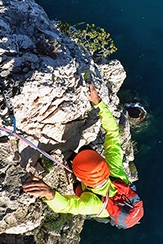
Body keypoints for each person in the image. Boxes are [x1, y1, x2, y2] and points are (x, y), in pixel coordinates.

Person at [22, 81, 131, 220]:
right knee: (84, 150)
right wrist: (98, 102)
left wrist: (49, 194)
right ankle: (73, 159)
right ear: (105, 166)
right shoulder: (116, 172)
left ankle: (71, 162)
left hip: (103, 210)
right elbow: (113, 133)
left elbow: (69, 206)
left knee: (78, 189)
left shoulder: (92, 204)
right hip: (109, 193)